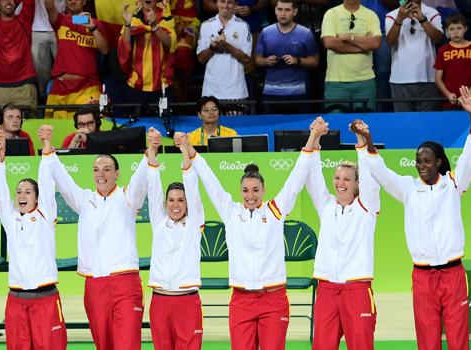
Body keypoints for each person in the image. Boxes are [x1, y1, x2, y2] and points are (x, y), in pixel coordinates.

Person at [361, 85, 471, 350]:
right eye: (418, 160)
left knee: (458, 337)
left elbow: (470, 159)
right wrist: (367, 141)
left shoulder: (453, 184)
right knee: (427, 340)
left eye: (426, 160)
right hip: (423, 277)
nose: (421, 165)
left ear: (439, 162)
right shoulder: (407, 188)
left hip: (453, 275)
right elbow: (380, 173)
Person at [191, 125, 314, 350]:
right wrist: (192, 154)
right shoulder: (231, 213)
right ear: (240, 192)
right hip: (241, 300)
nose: (250, 196)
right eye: (246, 190)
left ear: (264, 190)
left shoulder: (276, 211)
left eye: (255, 190)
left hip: (274, 299)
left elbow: (296, 179)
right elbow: (211, 184)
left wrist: (313, 137)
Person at [45, 127, 154, 350]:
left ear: (117, 173)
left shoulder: (128, 197)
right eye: (96, 169)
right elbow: (63, 181)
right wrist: (48, 147)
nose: (100, 174)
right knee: (103, 345)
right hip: (94, 285)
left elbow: (140, 180)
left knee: (127, 344)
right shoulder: (84, 200)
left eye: (106, 169)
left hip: (125, 283)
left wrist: (151, 150)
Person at [0, 126, 68, 349]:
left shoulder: (45, 214)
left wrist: (47, 145)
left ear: (37, 198)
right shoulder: (11, 220)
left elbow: (46, 178)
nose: (22, 195)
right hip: (16, 301)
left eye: (27, 191)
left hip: (46, 301)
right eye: (19, 191)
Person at [303, 117, 380, 350]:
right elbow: (312, 176)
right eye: (337, 178)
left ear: (357, 184)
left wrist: (360, 140)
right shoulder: (326, 206)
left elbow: (370, 175)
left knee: (361, 345)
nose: (340, 183)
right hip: (326, 288)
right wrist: (314, 137)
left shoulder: (367, 206)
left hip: (357, 289)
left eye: (347, 179)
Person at [145, 131, 205, 350]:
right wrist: (152, 152)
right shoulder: (159, 222)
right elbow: (153, 190)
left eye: (180, 200)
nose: (175, 204)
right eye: (171, 200)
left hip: (187, 301)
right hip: (159, 301)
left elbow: (193, 189)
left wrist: (184, 154)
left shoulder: (194, 224)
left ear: (187, 203)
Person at [43, 0, 107, 120]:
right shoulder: (60, 20)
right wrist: (78, 20)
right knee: (58, 132)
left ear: (84, 2)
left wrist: (92, 27)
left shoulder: (95, 24)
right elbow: (49, 6)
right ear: (65, 3)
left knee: (90, 131)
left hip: (88, 88)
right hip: (61, 89)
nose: (72, 1)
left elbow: (104, 50)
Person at [254, 0, 319, 115]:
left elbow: (315, 61)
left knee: (300, 130)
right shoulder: (266, 32)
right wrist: (267, 61)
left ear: (295, 11)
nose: (283, 14)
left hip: (298, 92)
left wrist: (297, 60)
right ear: (275, 11)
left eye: (287, 10)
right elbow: (257, 59)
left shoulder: (306, 33)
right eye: (280, 9)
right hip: (271, 92)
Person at [0, 0, 38, 115]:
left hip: (24, 87)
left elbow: (29, 2)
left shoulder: (25, 19)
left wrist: (82, 19)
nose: (8, 1)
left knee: (29, 128)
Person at [321, 0, 382, 112]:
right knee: (336, 125)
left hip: (365, 81)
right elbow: (329, 43)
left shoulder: (371, 15)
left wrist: (349, 38)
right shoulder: (331, 14)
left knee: (363, 127)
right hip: (336, 82)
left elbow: (375, 43)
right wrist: (363, 46)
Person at [386, 0, 443, 112]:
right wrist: (399, 19)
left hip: (428, 78)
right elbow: (390, 42)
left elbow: (438, 39)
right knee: (403, 124)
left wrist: (422, 19)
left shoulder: (432, 13)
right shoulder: (391, 15)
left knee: (426, 124)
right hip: (400, 79)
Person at [116, 0, 176, 109]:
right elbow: (124, 46)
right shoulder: (133, 17)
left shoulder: (165, 16)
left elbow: (171, 44)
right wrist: (128, 25)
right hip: (135, 85)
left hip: (162, 85)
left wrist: (154, 26)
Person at [197, 0, 253, 101]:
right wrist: (213, 47)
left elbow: (246, 59)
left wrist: (226, 46)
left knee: (237, 117)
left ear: (235, 4)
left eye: (230, 2)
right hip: (211, 91)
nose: (226, 6)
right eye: (222, 1)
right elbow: (201, 59)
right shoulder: (206, 25)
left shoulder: (243, 26)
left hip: (236, 91)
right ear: (217, 3)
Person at [434, 14, 471, 109]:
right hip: (449, 100)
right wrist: (448, 94)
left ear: (465, 29)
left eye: (459, 28)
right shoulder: (443, 50)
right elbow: (437, 78)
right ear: (447, 31)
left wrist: (468, 94)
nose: (455, 32)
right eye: (452, 29)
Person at [31, 0, 61, 101]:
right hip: (37, 28)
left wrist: (83, 20)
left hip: (62, 25)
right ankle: (43, 101)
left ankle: (63, 96)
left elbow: (78, 12)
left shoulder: (83, 17)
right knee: (41, 75)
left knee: (65, 69)